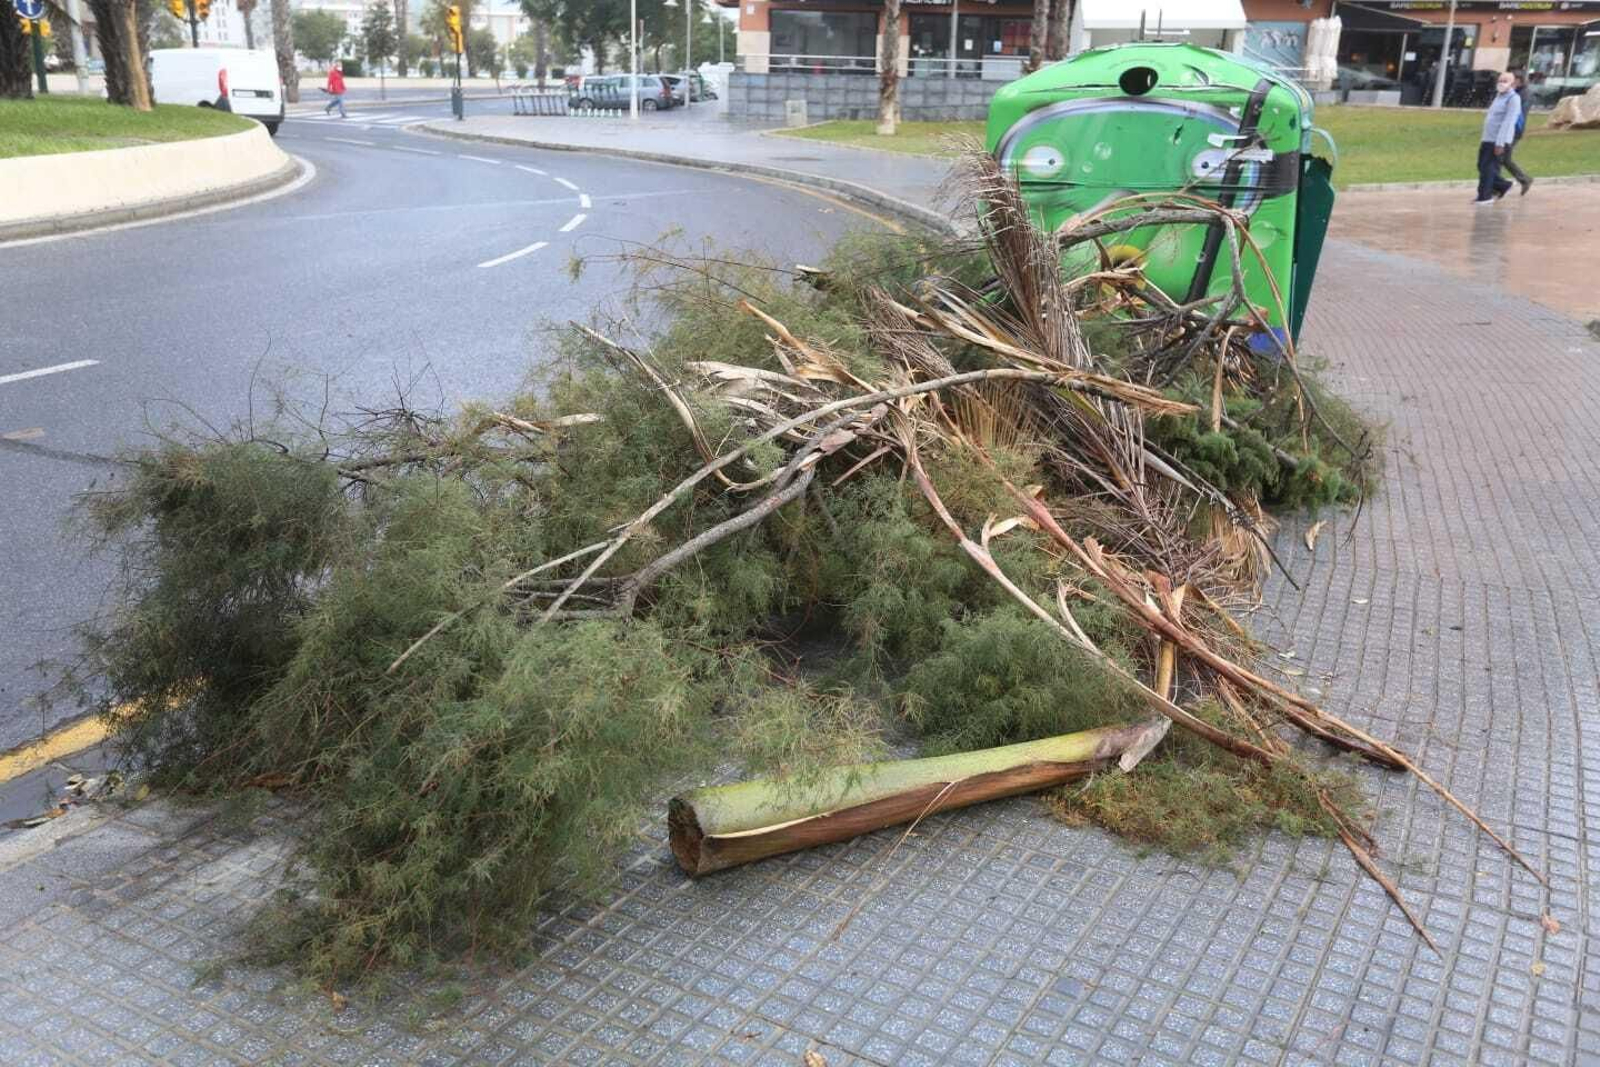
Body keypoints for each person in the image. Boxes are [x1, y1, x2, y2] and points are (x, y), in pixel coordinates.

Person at [1473, 70, 1521, 206]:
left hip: (1498, 140)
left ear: (1513, 84)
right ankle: (1504, 185)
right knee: (1482, 166)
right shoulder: (1498, 96)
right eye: (1500, 80)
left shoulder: (1513, 99)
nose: (1501, 83)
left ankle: (1485, 196)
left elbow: (1508, 122)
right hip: (1487, 138)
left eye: (1505, 81)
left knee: (1488, 169)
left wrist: (1500, 143)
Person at [1500, 69, 1535, 196]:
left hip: (1514, 130)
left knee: (1503, 158)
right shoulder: (1515, 92)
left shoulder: (1524, 94)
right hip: (1507, 129)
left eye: (1511, 80)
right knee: (1501, 158)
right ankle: (1522, 180)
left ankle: (1522, 180)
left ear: (1519, 81)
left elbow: (1518, 114)